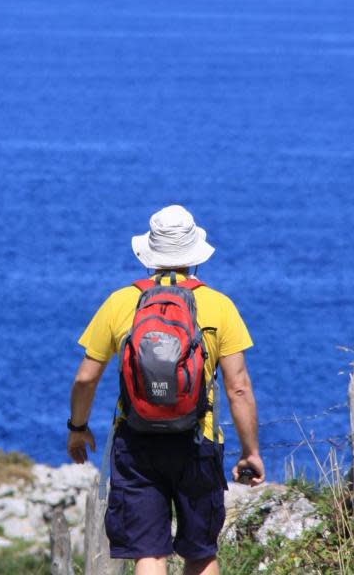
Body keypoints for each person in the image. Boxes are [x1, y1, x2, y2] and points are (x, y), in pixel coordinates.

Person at [66, 205, 265, 575]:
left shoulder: (121, 303)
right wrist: (250, 452)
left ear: (149, 255)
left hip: (136, 441)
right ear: (194, 256)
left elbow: (85, 379)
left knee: (149, 553)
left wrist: (78, 429)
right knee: (201, 553)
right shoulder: (219, 306)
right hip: (198, 441)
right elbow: (239, 389)